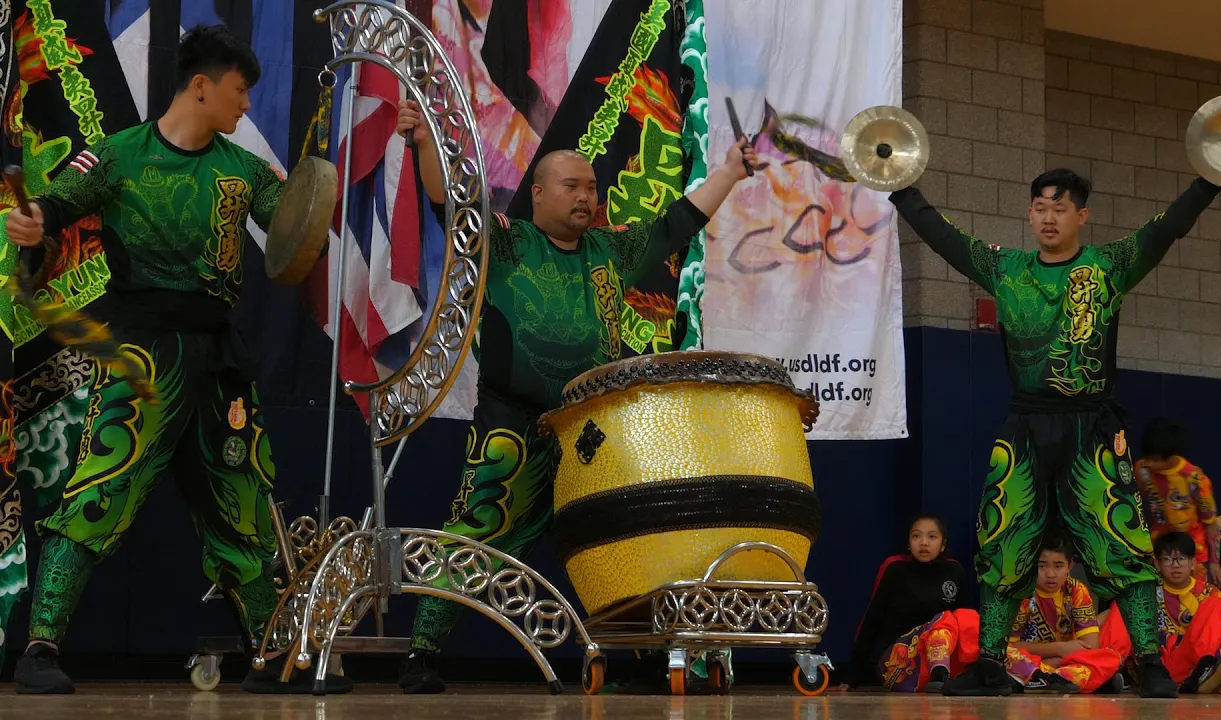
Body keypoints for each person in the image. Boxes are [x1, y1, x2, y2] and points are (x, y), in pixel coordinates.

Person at [2, 26, 347, 695]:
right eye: (241, 91)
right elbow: (57, 208)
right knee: (100, 491)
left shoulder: (244, 171)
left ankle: (276, 657)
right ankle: (39, 650)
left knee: (240, 506)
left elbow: (296, 234)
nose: (247, 106)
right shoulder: (118, 156)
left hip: (219, 361)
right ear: (202, 86)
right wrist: (32, 219)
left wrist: (321, 208)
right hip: (141, 358)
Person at [392, 100, 759, 694]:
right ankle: (423, 652)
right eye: (572, 186)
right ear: (537, 194)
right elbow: (447, 206)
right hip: (512, 420)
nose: (586, 196)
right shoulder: (505, 244)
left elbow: (677, 222)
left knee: (618, 535)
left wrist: (731, 171)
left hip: (591, 429)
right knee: (478, 528)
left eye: (592, 187)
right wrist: (423, 144)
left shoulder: (611, 251)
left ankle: (638, 657)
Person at [890, 167, 1220, 697]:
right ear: (1029, 213)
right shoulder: (1005, 268)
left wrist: (1209, 182)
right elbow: (944, 237)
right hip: (1023, 426)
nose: (1048, 217)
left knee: (1124, 546)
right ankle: (992, 665)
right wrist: (899, 187)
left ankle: (1151, 663)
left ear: (1081, 216)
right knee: (1002, 543)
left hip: (1092, 427)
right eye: (1040, 207)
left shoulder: (1108, 266)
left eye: (1060, 208)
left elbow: (1164, 230)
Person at [837, 515, 977, 693]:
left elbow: (966, 624)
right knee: (943, 622)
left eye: (932, 537)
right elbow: (871, 621)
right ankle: (939, 677)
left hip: (943, 660)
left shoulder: (954, 570)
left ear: (942, 545)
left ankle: (949, 675)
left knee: (964, 618)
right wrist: (853, 676)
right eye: (916, 536)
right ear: (909, 543)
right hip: (901, 664)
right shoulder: (895, 568)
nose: (924, 543)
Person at [1099, 531, 1221, 694]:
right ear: (1157, 564)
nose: (1175, 565)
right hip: (1152, 665)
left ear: (1192, 563)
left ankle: (1205, 671)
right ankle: (1109, 668)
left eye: (1181, 559)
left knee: (1214, 603)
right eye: (1167, 559)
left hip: (1191, 663)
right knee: (1129, 601)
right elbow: (1110, 617)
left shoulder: (1210, 593)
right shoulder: (1147, 590)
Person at [1001, 538, 1118, 694]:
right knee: (1000, 653)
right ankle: (1059, 679)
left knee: (1109, 657)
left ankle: (1041, 679)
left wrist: (1058, 657)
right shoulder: (1019, 593)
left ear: (1070, 566)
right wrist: (1060, 648)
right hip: (1030, 660)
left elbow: (1090, 647)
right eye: (1041, 566)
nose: (1050, 574)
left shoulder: (1076, 591)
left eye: (1058, 566)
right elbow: (1009, 647)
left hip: (1062, 661)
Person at [1136, 418, 1221, 587]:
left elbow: (1210, 523)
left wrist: (1214, 561)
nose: (1150, 464)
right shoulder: (1142, 470)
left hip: (1192, 555)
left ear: (1172, 455)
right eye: (1148, 458)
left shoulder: (1195, 480)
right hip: (1158, 551)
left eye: (1155, 459)